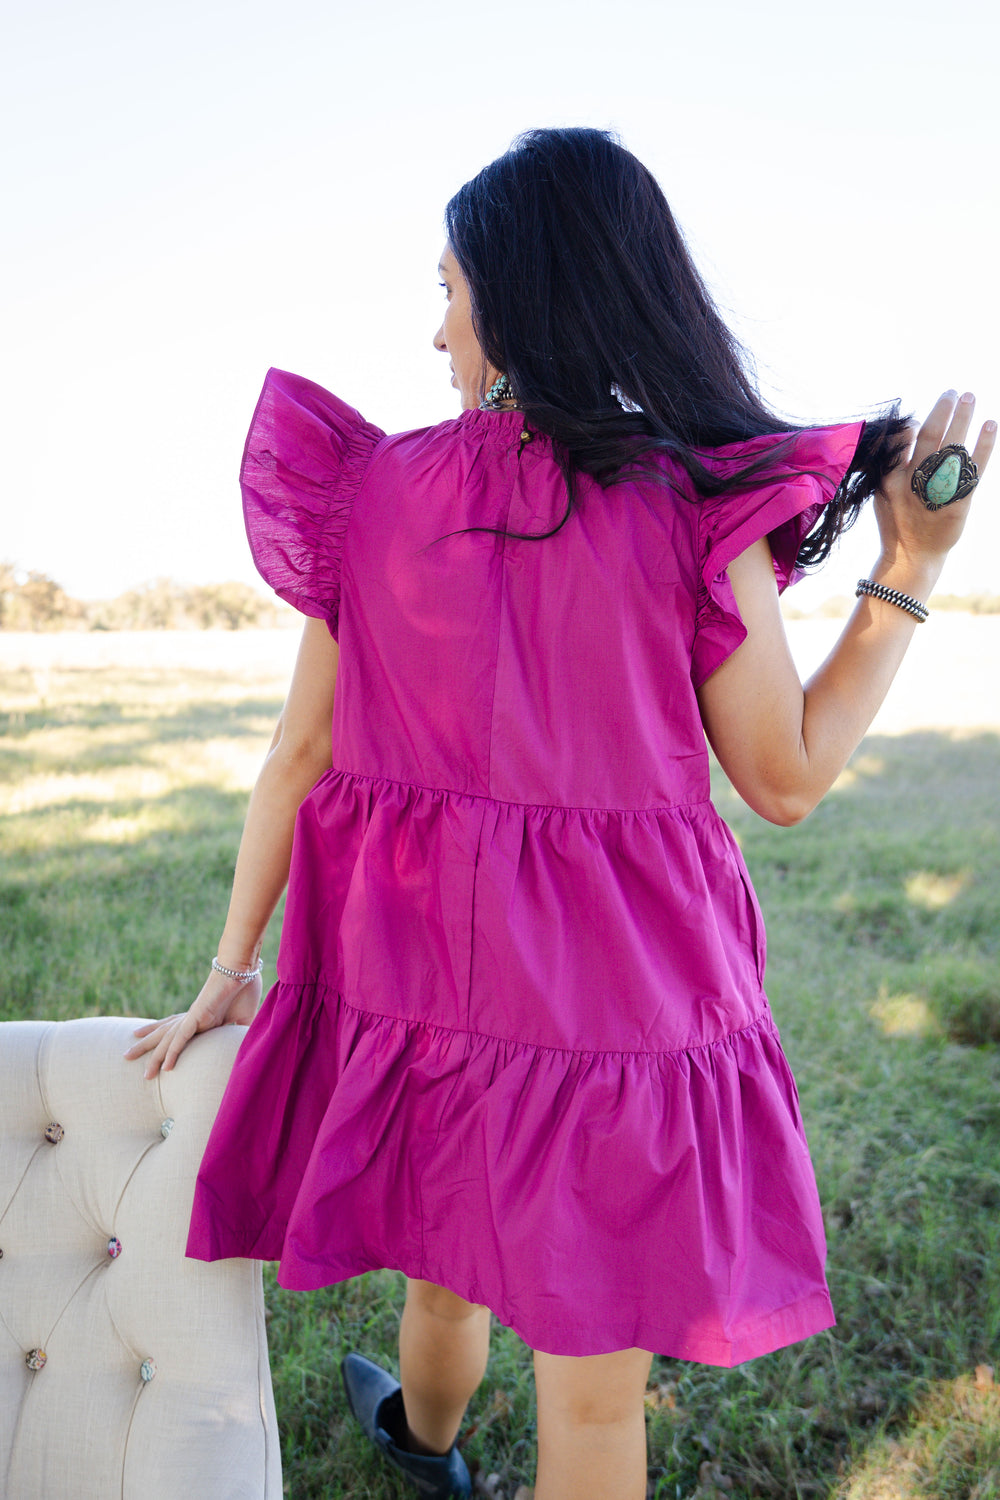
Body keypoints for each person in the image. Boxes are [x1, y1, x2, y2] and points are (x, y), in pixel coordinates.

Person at [125, 127, 993, 1500]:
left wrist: (234, 970)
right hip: (623, 1018)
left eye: (450, 289)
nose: (435, 333)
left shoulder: (380, 493)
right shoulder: (691, 506)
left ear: (520, 298)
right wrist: (905, 571)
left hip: (429, 982)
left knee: (446, 1274)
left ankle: (425, 1445)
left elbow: (299, 750)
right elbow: (787, 777)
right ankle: (433, 1446)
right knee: (594, 1405)